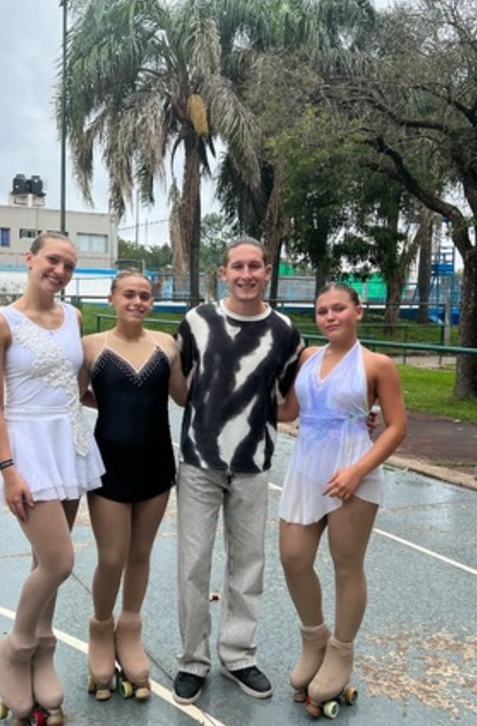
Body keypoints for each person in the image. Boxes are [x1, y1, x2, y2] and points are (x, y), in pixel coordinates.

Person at [0, 232, 106, 725]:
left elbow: (77, 390)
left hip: (70, 446)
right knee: (59, 560)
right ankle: (16, 648)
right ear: (30, 259)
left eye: (70, 265)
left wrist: (131, 394)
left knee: (43, 558)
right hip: (27, 452)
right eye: (53, 259)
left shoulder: (72, 317)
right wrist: (9, 471)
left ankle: (43, 656)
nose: (60, 270)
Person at [172, 237, 304, 705]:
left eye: (255, 266)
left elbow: (288, 400)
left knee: (249, 564)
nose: (246, 274)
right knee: (193, 566)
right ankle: (192, 661)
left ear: (267, 271)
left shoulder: (286, 331)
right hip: (198, 462)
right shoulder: (196, 321)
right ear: (222, 272)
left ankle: (238, 655)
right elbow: (181, 388)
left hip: (252, 465)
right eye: (237, 266)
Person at [277, 283, 406, 712]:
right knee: (293, 558)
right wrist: (236, 396)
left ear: (358, 312)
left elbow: (395, 427)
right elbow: (290, 411)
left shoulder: (377, 364)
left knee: (347, 565)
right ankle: (314, 639)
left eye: (338, 309)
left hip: (354, 470)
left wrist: (357, 471)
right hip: (306, 466)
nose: (330, 317)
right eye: (322, 311)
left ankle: (341, 650)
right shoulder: (308, 358)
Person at [81, 270, 186, 700]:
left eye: (145, 295)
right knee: (111, 557)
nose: (137, 301)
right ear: (112, 298)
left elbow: (183, 396)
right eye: (129, 294)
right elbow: (75, 395)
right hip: (108, 464)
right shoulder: (91, 347)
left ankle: (130, 628)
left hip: (156, 462)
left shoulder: (167, 345)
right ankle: (101, 630)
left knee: (140, 554)